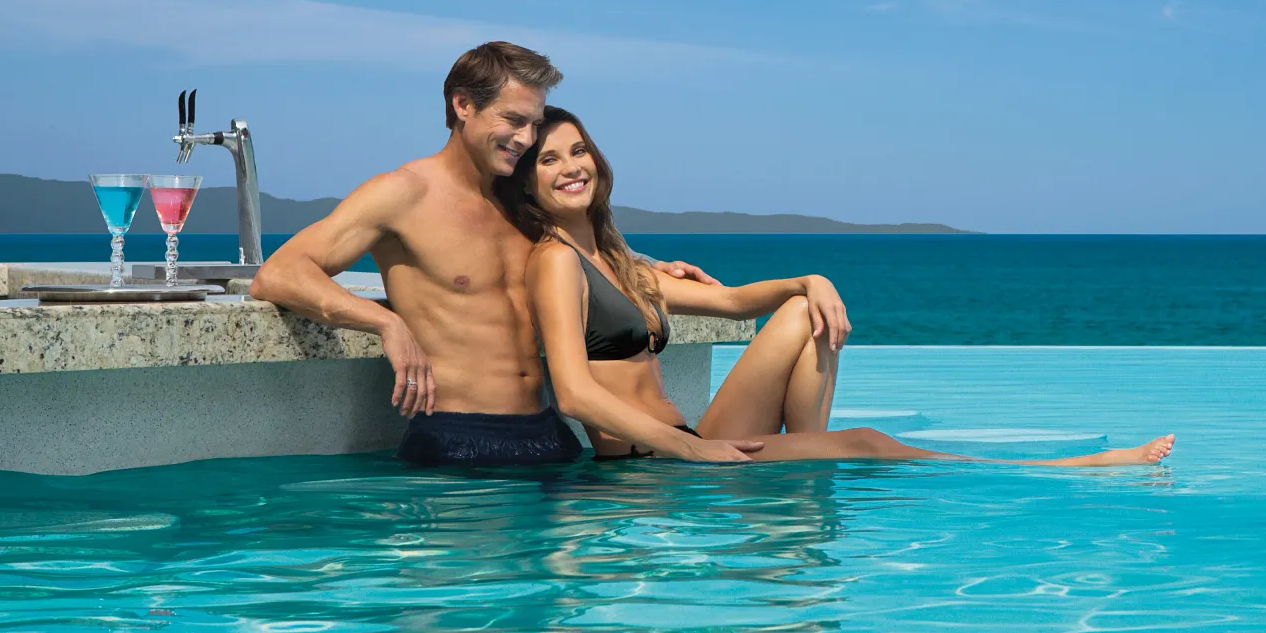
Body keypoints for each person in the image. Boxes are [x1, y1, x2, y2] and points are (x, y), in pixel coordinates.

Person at [503, 107, 1176, 468]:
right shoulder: (556, 261)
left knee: (803, 310)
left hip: (684, 442)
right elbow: (575, 392)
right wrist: (692, 448)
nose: (571, 167)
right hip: (651, 466)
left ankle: (802, 462)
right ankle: (1069, 467)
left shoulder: (618, 262)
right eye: (549, 159)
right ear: (529, 185)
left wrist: (811, 279)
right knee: (869, 442)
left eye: (578, 150)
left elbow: (733, 302)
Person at [250, 41, 762, 466]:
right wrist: (386, 323)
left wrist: (641, 265)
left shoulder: (519, 200)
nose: (526, 138)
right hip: (458, 440)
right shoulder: (402, 194)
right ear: (462, 105)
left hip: (549, 435)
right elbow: (279, 273)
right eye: (514, 120)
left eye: (534, 123)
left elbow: (579, 255)